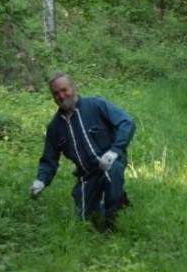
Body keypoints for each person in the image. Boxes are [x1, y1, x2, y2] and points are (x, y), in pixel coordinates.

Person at [29, 74, 136, 232]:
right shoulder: (55, 127)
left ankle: (112, 219)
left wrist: (114, 151)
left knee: (110, 175)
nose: (61, 96)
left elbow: (127, 122)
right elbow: (49, 159)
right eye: (56, 93)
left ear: (73, 88)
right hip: (87, 175)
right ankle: (112, 199)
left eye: (64, 90)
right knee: (86, 219)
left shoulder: (96, 105)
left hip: (110, 163)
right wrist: (41, 181)